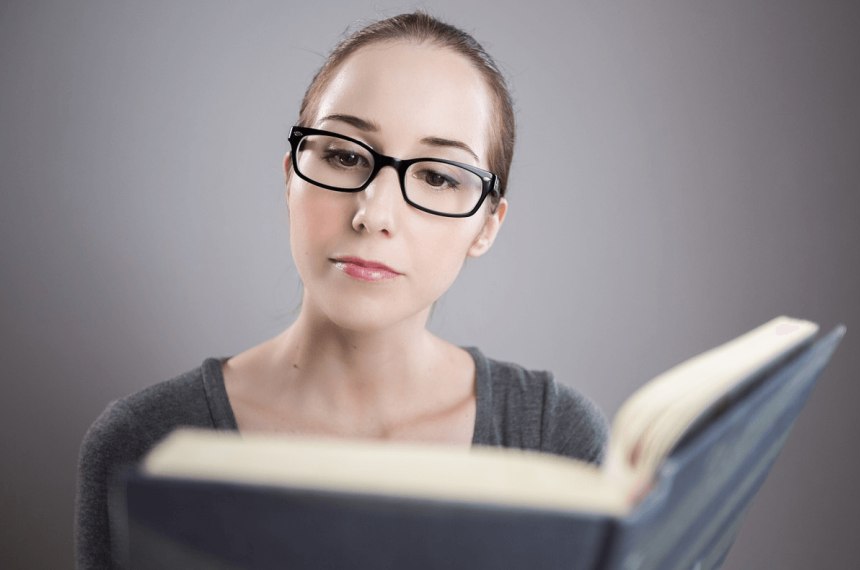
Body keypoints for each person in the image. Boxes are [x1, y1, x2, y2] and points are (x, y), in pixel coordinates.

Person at [75, 11, 608, 569]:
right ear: (290, 177)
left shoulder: (555, 440)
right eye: (345, 156)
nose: (374, 213)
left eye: (437, 176)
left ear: (487, 226)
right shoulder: (143, 444)